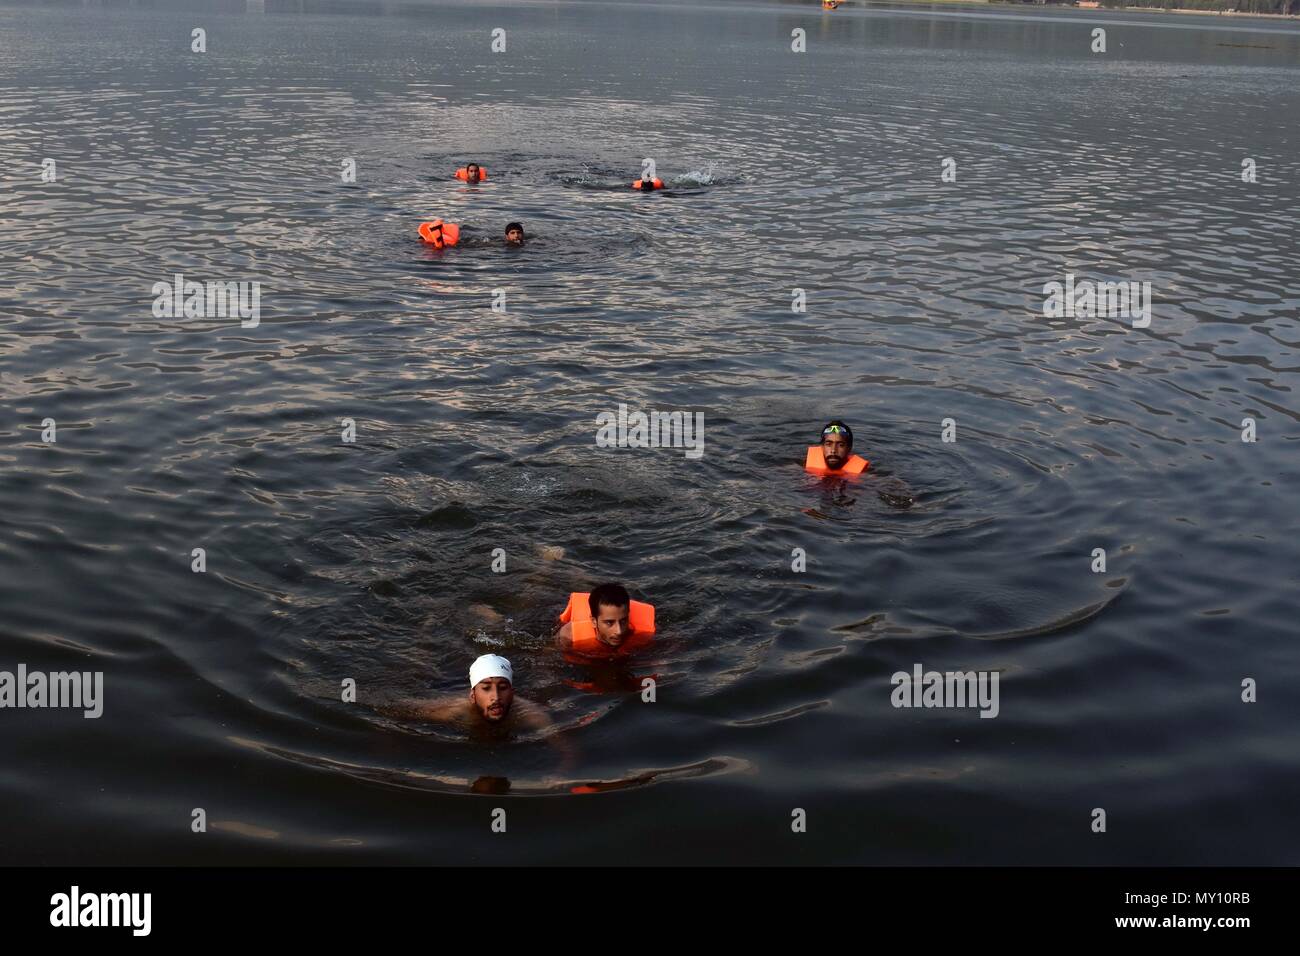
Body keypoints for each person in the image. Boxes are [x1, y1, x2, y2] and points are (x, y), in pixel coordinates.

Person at [389, 654, 551, 732]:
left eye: (502, 687)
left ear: (512, 693)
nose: (495, 696)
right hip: (446, 679)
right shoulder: (452, 710)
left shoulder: (533, 715)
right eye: (486, 688)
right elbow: (395, 710)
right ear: (472, 696)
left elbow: (566, 751)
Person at [555, 583, 655, 657]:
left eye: (623, 621)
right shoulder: (568, 637)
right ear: (594, 621)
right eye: (609, 622)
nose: (619, 631)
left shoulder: (644, 632)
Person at [804, 420, 869, 476]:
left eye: (840, 445)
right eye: (828, 444)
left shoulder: (865, 475)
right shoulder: (803, 468)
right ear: (822, 447)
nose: (833, 450)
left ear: (849, 448)